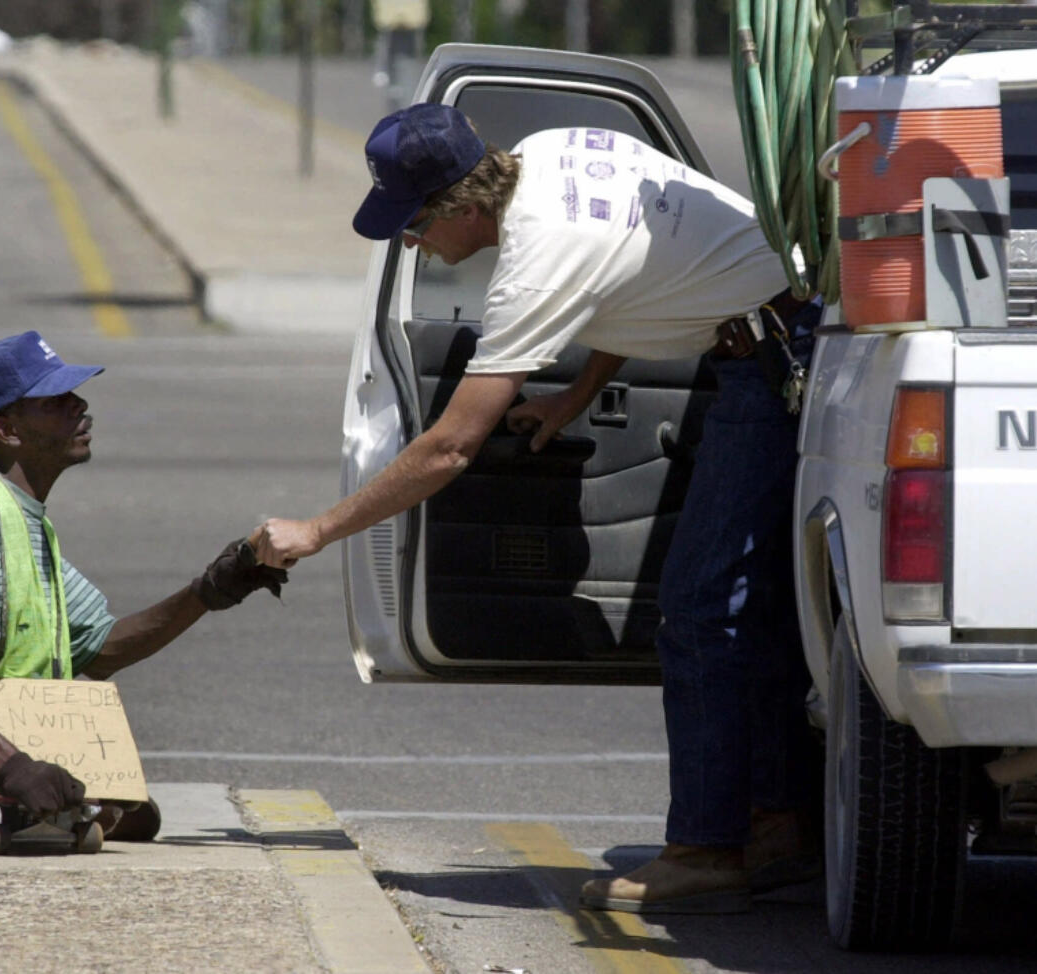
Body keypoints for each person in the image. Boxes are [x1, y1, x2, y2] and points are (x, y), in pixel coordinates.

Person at [251, 104, 821, 913]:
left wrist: (317, 530)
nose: (411, 244)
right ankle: (778, 822)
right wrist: (575, 396)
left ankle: (707, 852)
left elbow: (451, 447)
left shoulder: (535, 258)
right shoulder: (551, 150)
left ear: (463, 208)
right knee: (749, 605)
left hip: (771, 364)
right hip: (774, 334)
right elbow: (638, 269)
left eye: (412, 226)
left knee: (700, 610)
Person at [0, 331, 286, 835]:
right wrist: (15, 769)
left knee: (127, 812)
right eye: (56, 401)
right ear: (8, 429)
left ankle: (61, 801)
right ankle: (47, 799)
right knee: (100, 806)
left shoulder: (25, 520)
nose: (80, 404)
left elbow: (99, 650)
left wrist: (210, 590)